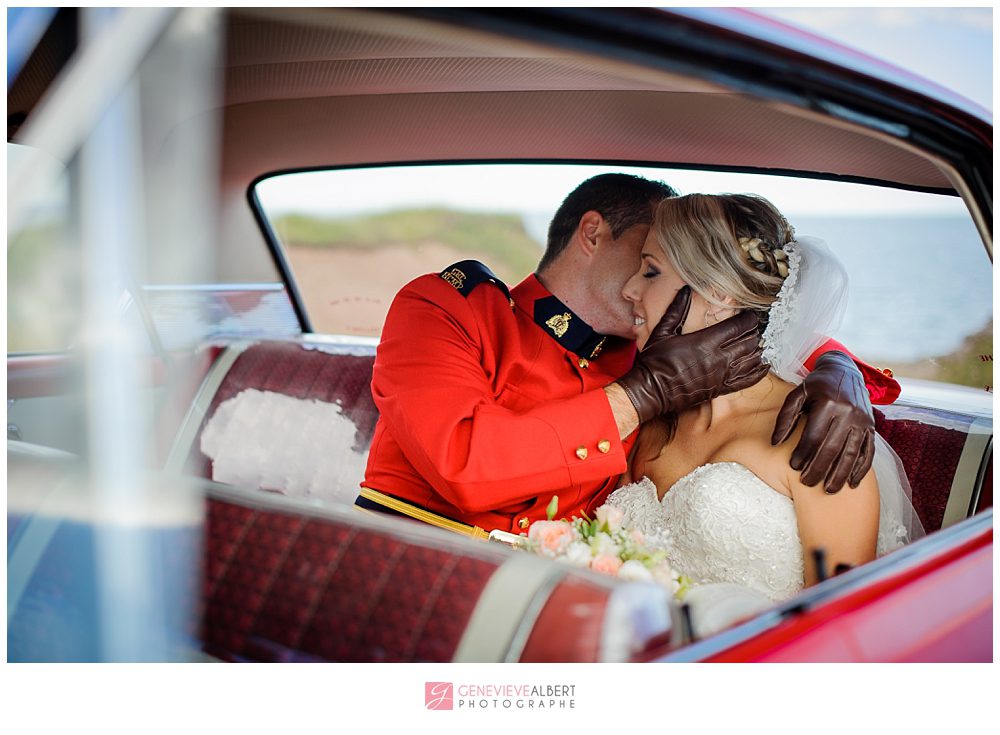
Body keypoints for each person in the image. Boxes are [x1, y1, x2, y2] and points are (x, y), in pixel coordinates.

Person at [358, 174, 895, 538]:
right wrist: (643, 395)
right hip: (413, 572)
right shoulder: (445, 307)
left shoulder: (655, 345)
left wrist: (839, 372)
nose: (644, 279)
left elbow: (774, 329)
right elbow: (464, 463)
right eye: (648, 254)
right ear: (592, 234)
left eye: (654, 264)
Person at [605, 193, 923, 635]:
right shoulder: (652, 413)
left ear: (717, 295)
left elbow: (843, 628)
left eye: (651, 270)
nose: (629, 289)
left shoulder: (819, 436)